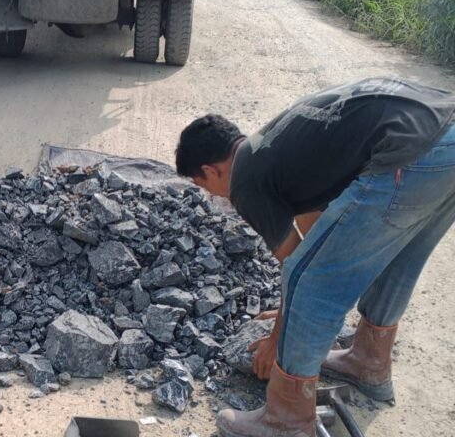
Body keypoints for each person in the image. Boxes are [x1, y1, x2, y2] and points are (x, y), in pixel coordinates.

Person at [174, 77, 455, 437]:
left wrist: (279, 338)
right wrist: (291, 313)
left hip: (411, 151)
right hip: (443, 134)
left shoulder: (245, 181)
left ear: (211, 171)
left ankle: (287, 418)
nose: (214, 196)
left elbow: (302, 272)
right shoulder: (274, 147)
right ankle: (369, 360)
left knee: (308, 282)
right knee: (395, 257)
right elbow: (319, 240)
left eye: (203, 186)